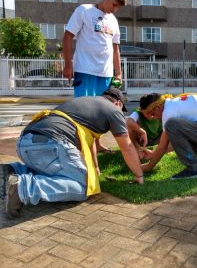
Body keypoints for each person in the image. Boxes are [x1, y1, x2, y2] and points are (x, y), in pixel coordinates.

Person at [0, 87, 144, 218]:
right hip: (51, 144)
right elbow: (127, 147)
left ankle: (12, 171)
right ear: (118, 103)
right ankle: (23, 188)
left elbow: (90, 141)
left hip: (25, 143)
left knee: (58, 172)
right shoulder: (113, 110)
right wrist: (139, 175)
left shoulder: (85, 102)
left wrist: (95, 168)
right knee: (83, 187)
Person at [62, 0, 127, 153]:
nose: (115, 9)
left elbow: (115, 48)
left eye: (118, 7)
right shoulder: (84, 11)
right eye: (114, 5)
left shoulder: (113, 20)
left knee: (101, 112)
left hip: (105, 74)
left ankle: (97, 145)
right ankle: (83, 148)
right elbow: (68, 36)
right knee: (83, 112)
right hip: (85, 71)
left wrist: (118, 73)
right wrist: (68, 65)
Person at [127, 93, 164, 159]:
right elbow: (128, 122)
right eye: (147, 113)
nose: (151, 115)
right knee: (129, 128)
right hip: (143, 140)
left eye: (152, 112)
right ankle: (138, 149)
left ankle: (164, 148)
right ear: (141, 110)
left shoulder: (160, 111)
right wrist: (142, 131)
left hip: (158, 138)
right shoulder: (138, 113)